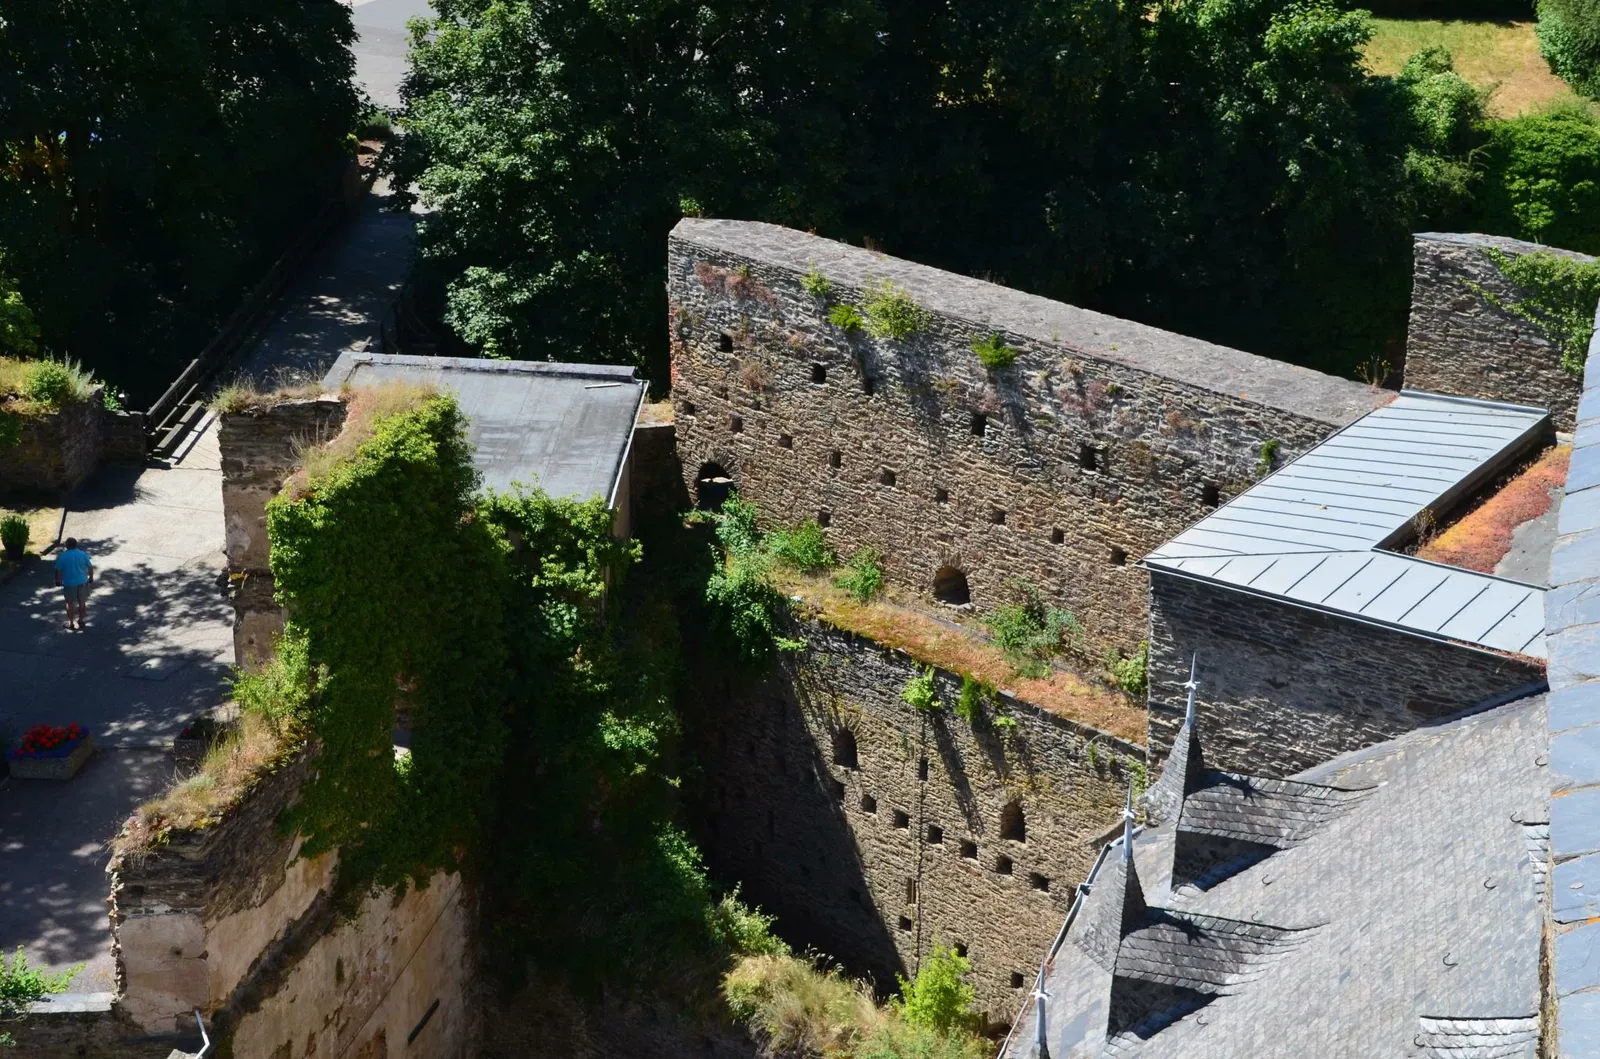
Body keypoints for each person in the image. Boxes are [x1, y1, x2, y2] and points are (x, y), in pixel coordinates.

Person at [53, 537, 94, 631]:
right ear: (76, 545)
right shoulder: (83, 554)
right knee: (82, 603)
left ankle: (71, 623)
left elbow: (58, 570)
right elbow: (90, 567)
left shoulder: (62, 556)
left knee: (70, 603)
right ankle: (81, 621)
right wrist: (91, 577)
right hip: (83, 582)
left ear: (66, 546)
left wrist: (58, 580)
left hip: (69, 584)